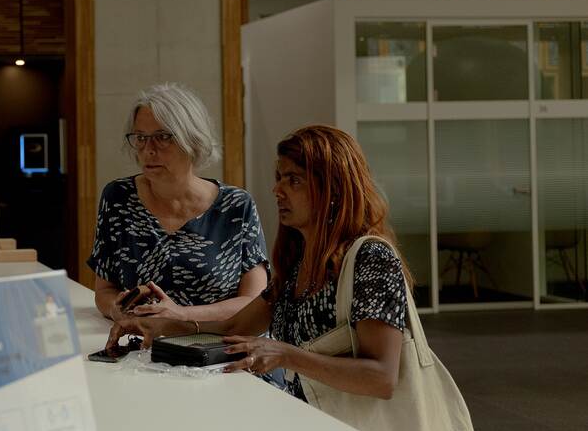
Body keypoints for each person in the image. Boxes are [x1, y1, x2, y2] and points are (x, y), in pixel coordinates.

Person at [106, 125, 408, 403]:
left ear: (333, 190)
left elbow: (382, 377)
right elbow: (236, 326)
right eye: (279, 178)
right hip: (308, 427)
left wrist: (286, 355)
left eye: (294, 180)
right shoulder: (298, 264)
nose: (278, 190)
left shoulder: (371, 259)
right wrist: (162, 324)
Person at [88, 82, 269, 329]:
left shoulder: (236, 206)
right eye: (140, 138)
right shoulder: (118, 198)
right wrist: (116, 309)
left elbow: (254, 302)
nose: (148, 150)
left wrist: (181, 315)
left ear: (191, 140)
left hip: (217, 349)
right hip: (144, 350)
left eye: (162, 138)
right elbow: (104, 291)